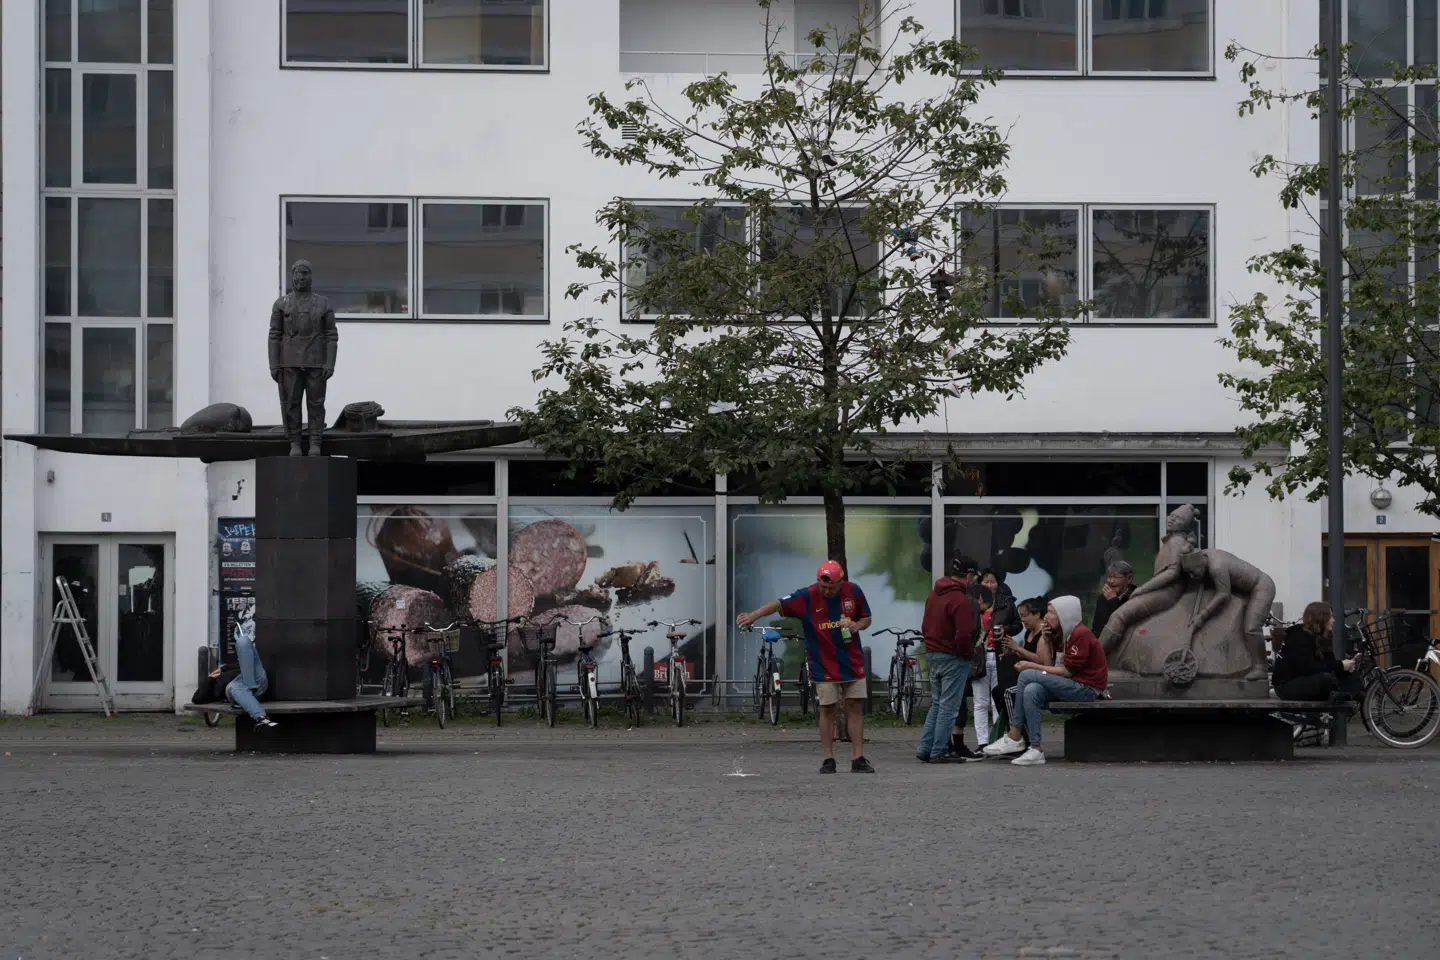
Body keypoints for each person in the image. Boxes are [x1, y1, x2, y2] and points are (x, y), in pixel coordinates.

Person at [738, 560, 875, 774]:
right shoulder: (807, 596)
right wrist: (753, 616)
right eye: (823, 586)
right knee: (827, 709)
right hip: (823, 663)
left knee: (855, 707)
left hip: (852, 660)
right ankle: (828, 759)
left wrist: (857, 626)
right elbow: (777, 604)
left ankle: (858, 757)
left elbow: (866, 618)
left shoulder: (854, 591)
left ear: (842, 581)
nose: (827, 591)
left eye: (832, 587)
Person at [984, 596, 1107, 765]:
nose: (1047, 617)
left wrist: (1031, 666)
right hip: (1070, 684)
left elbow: (1067, 672)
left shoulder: (1080, 634)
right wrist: (1048, 642)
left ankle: (1014, 734)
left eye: (1051, 612)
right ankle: (1035, 748)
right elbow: (1051, 667)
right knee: (1031, 690)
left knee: (1027, 675)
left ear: (1065, 614)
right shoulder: (1062, 634)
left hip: (1087, 688)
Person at [915, 554, 978, 763]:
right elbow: (964, 634)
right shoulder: (961, 600)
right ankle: (939, 751)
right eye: (973, 578)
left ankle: (925, 748)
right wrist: (967, 654)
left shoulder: (934, 595)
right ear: (968, 576)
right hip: (953, 657)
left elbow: (925, 625)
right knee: (949, 706)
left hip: (933, 654)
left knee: (936, 703)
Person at [1271, 601, 1361, 702]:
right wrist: (1340, 665)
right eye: (1330, 617)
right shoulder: (1299, 637)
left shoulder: (1324, 636)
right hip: (1287, 686)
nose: (1333, 620)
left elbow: (1328, 663)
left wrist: (1345, 668)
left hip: (1309, 681)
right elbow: (1307, 668)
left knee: (1354, 677)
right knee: (1326, 679)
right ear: (1320, 618)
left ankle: (1342, 697)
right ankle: (1340, 696)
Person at [995, 596, 1052, 736]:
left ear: (1037, 614)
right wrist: (1012, 651)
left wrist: (1018, 648)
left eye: (1025, 616)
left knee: (1008, 692)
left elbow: (1041, 662)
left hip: (1038, 677)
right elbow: (1026, 655)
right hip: (1025, 675)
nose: (1023, 620)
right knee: (997, 691)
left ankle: (1018, 735)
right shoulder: (1029, 633)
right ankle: (1011, 730)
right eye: (1021, 616)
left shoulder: (1043, 634)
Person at [225, 602, 279, 730]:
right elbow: (198, 697)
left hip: (256, 681)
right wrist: (213, 677)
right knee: (235, 688)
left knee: (243, 641)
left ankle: (250, 686)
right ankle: (261, 718)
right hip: (237, 688)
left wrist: (225, 668)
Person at [1091, 560, 1134, 640]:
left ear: (1129, 579)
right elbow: (1096, 628)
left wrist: (1113, 601)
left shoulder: (1135, 597)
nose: (1111, 581)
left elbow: (1126, 624)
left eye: (1116, 577)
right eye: (1109, 577)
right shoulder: (1103, 598)